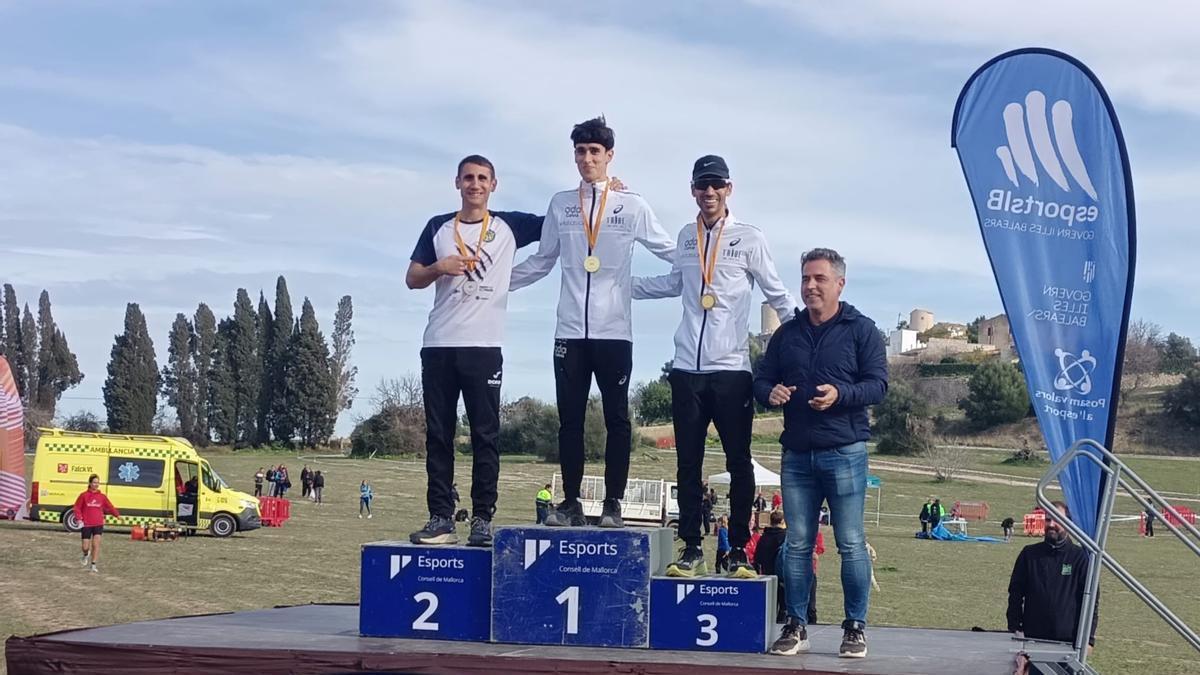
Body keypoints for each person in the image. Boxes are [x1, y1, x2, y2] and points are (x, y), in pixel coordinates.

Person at [510, 116, 675, 529]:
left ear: (609, 156)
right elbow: (542, 260)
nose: (587, 158)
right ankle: (569, 503)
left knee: (617, 419)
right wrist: (495, 282)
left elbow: (671, 250)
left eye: (594, 152)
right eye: (580, 151)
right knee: (570, 420)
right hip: (569, 332)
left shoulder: (632, 205)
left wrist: (713, 264)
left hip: (615, 332)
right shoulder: (561, 204)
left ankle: (613, 503)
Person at [635, 154, 795, 579]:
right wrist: (620, 286)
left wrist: (805, 343)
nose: (709, 192)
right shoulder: (687, 236)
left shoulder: (749, 237)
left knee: (738, 461)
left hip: (731, 370)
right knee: (687, 463)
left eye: (717, 185)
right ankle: (691, 548)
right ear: (692, 190)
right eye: (702, 185)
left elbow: (777, 295)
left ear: (729, 189)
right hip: (686, 369)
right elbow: (673, 283)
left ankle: (739, 548)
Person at [754, 247, 887, 659]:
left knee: (850, 543)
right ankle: (795, 625)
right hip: (796, 455)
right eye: (806, 279)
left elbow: (878, 385)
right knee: (795, 544)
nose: (810, 286)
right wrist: (769, 393)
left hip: (845, 451)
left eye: (820, 279)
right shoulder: (786, 333)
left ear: (839, 284)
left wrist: (841, 394)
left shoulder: (861, 330)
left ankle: (855, 628)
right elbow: (760, 379)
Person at [406, 154, 544, 548]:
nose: (475, 184)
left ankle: (482, 520)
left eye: (483, 178)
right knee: (439, 435)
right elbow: (412, 277)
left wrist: (604, 189)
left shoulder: (509, 226)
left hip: (484, 347)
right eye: (468, 178)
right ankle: (440, 518)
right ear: (457, 183)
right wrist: (440, 267)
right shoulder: (437, 227)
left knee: (486, 435)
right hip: (438, 346)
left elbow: (563, 218)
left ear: (493, 184)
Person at [1007, 501, 1097, 651]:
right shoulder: (1029, 555)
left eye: (1057, 519)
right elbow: (1015, 593)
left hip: (1069, 643)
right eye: (1048, 519)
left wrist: (1089, 639)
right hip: (1032, 640)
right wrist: (1015, 627)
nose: (1051, 524)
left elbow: (1091, 601)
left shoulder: (1080, 558)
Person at [74, 474, 120, 573]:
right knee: (85, 547)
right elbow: (77, 508)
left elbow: (110, 506)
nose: (96, 484)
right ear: (90, 483)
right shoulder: (83, 496)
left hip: (98, 524)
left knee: (96, 544)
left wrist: (117, 515)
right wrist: (79, 519)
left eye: (97, 482)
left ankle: (93, 565)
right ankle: (86, 554)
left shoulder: (102, 497)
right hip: (86, 524)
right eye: (94, 482)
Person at [753, 509, 788, 622]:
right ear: (782, 521)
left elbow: (757, 557)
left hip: (767, 575)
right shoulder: (785, 536)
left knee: (770, 605)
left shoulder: (764, 537)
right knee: (783, 607)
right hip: (782, 575)